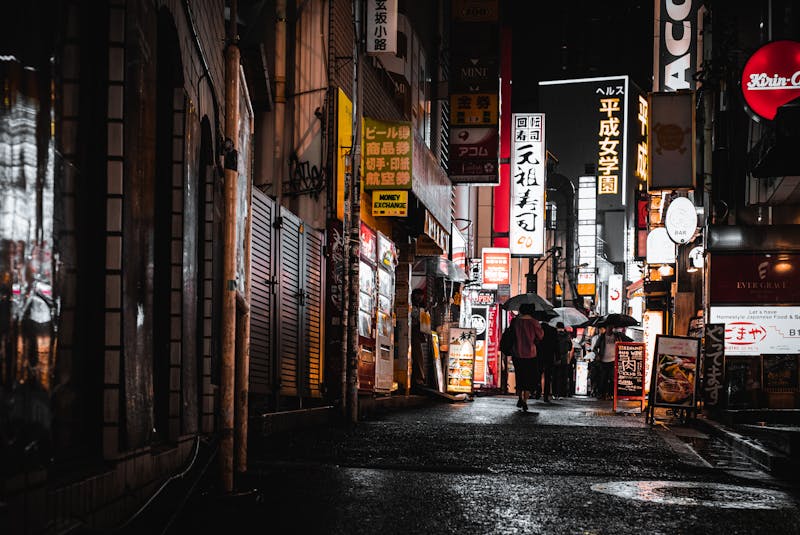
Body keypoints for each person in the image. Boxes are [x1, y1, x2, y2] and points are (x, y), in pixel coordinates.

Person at [508, 303, 544, 411]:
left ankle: (519, 397)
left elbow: (511, 335)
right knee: (529, 378)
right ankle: (525, 400)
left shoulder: (515, 322)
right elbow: (540, 336)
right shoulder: (534, 322)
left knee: (519, 376)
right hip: (530, 354)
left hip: (517, 353)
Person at [592, 325, 632, 399]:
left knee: (613, 379)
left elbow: (628, 341)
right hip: (603, 361)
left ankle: (611, 394)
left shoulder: (617, 336)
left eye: (611, 328)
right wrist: (597, 355)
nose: (610, 329)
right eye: (608, 328)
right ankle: (602, 394)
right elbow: (595, 348)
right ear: (606, 328)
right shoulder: (602, 337)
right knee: (603, 379)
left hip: (614, 360)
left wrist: (620, 341)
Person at [534, 314, 558, 403]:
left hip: (538, 354)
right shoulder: (553, 330)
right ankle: (546, 395)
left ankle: (538, 390)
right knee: (548, 376)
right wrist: (557, 356)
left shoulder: (538, 329)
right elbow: (556, 344)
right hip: (549, 355)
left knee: (538, 373)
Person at [553, 322, 574, 398]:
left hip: (555, 358)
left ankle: (555, 394)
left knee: (555, 376)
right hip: (564, 358)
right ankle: (562, 393)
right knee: (563, 376)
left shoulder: (554, 335)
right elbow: (570, 347)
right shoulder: (567, 335)